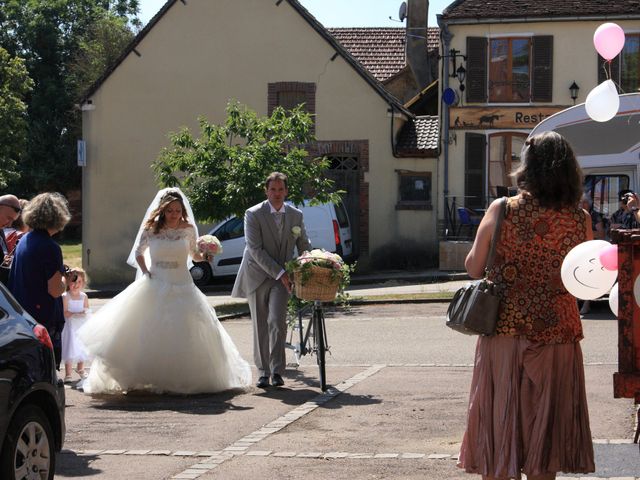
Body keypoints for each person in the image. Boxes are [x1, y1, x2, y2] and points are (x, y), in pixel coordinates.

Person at [459, 131, 595, 480]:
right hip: (557, 335)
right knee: (545, 438)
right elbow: (584, 282)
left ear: (527, 167)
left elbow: (474, 267)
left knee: (500, 427)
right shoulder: (579, 220)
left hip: (505, 331)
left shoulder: (502, 210)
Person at [79, 188, 252, 394]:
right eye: (170, 210)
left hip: (182, 282)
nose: (174, 214)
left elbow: (194, 256)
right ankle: (144, 375)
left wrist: (206, 255)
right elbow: (138, 253)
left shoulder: (188, 228)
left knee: (185, 330)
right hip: (156, 281)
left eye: (178, 210)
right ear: (163, 210)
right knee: (146, 329)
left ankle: (181, 378)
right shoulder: (151, 229)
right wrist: (145, 272)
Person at [232, 172, 311, 389]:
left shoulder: (296, 215)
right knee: (260, 325)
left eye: (280, 189)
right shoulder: (253, 214)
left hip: (282, 277)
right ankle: (263, 372)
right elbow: (255, 249)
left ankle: (277, 371)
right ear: (266, 191)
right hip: (257, 274)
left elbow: (303, 243)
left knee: (277, 321)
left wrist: (310, 261)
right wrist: (281, 273)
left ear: (286, 191)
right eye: (272, 190)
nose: (276, 194)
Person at [9, 193, 72, 369]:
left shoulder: (25, 239)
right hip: (43, 317)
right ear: (59, 217)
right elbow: (55, 290)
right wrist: (66, 279)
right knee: (45, 369)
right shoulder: (50, 246)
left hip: (25, 313)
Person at [61, 268, 91, 383]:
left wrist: (84, 313)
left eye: (79, 282)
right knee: (70, 347)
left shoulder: (84, 296)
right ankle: (68, 373)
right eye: (73, 281)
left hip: (81, 325)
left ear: (83, 282)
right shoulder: (65, 296)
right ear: (68, 282)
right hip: (70, 326)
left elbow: (87, 309)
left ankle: (81, 368)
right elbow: (65, 313)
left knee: (81, 346)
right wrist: (75, 314)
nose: (76, 285)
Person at [0, 194, 22, 285]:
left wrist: (4, 259)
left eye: (12, 220)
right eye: (8, 218)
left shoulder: (1, 230)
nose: (9, 224)